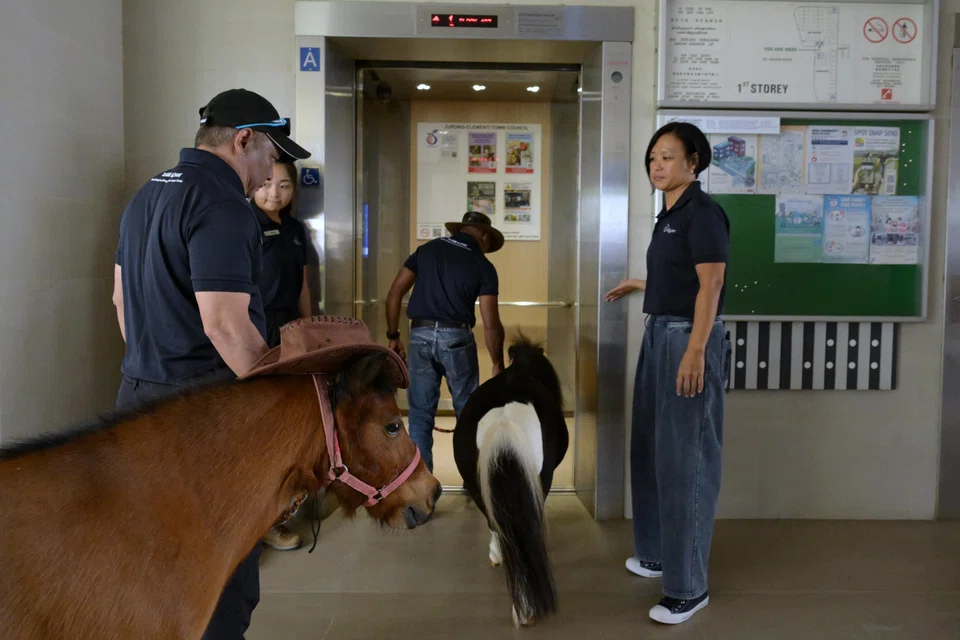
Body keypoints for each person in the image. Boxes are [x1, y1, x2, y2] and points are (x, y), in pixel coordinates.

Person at [112, 88, 310, 638]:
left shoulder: (146, 195)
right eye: (270, 155)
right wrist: (280, 411)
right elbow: (225, 325)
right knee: (222, 588)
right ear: (243, 139)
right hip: (201, 419)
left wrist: (158, 366)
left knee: (158, 571)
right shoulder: (222, 204)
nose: (270, 170)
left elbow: (122, 305)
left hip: (137, 406)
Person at [604, 121, 732, 626]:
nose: (659, 166)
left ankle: (688, 588)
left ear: (694, 162)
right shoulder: (670, 214)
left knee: (686, 460)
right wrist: (642, 283)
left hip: (687, 338)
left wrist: (697, 348)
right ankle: (658, 554)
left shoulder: (702, 213)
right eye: (653, 158)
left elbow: (712, 283)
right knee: (652, 447)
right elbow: (681, 274)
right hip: (661, 331)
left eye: (669, 157)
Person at [385, 211, 506, 472]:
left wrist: (393, 336)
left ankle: (422, 493)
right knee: (468, 413)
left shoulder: (426, 250)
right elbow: (491, 322)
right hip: (457, 340)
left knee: (420, 414)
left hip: (419, 335)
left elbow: (394, 292)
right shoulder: (482, 265)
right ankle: (472, 481)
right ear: (484, 236)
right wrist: (498, 363)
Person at [251, 160, 319, 551]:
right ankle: (257, 521)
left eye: (285, 186)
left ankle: (275, 518)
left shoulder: (296, 230)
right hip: (254, 329)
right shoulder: (241, 225)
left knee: (285, 426)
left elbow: (303, 286)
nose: (274, 194)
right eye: (266, 184)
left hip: (289, 330)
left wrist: (308, 331)